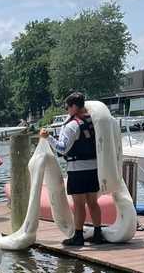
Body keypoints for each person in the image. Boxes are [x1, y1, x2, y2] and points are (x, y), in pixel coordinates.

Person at [40, 91, 103, 247]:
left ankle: (79, 236)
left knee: (79, 204)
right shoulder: (93, 120)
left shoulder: (72, 125)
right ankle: (97, 234)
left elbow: (62, 149)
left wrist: (48, 137)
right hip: (94, 168)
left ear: (74, 106)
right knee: (93, 202)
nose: (66, 110)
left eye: (67, 107)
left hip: (78, 170)